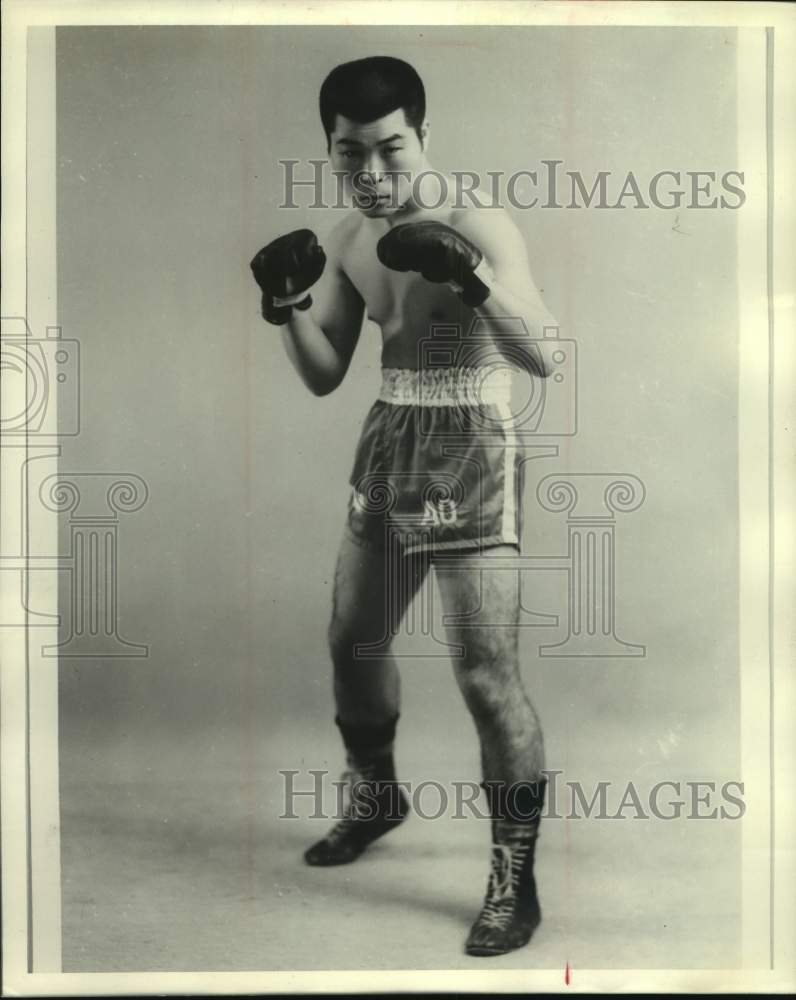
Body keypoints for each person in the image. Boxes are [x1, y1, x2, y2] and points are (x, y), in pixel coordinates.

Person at [251, 55, 558, 958]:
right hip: (391, 436)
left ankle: (514, 877)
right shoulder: (351, 238)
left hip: (473, 441)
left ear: (425, 134)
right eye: (351, 155)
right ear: (330, 150)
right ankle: (375, 793)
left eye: (391, 149)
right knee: (352, 640)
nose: (373, 175)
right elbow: (324, 373)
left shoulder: (479, 221)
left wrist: (469, 277)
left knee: (482, 674)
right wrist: (282, 308)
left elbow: (543, 355)